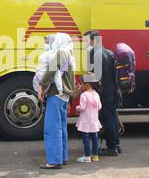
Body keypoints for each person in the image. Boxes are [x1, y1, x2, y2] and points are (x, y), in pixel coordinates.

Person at [39, 33, 76, 170]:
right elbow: (70, 79)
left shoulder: (61, 52)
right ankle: (62, 157)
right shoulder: (70, 55)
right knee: (61, 128)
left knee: (52, 129)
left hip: (56, 94)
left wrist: (41, 85)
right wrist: (71, 98)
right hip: (64, 96)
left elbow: (52, 69)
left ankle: (54, 161)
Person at [84, 30, 120, 156]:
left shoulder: (94, 54)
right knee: (113, 118)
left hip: (102, 93)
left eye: (86, 40)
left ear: (93, 40)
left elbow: (95, 77)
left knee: (107, 119)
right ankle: (116, 144)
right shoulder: (109, 52)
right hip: (111, 91)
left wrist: (85, 79)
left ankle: (111, 149)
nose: (85, 43)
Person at [76, 74, 102, 163]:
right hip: (94, 120)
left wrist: (77, 108)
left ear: (86, 85)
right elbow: (99, 107)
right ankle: (95, 156)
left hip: (85, 121)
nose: (80, 86)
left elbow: (82, 108)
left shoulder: (84, 95)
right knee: (95, 138)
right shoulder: (96, 94)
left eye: (81, 84)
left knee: (86, 139)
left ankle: (87, 156)